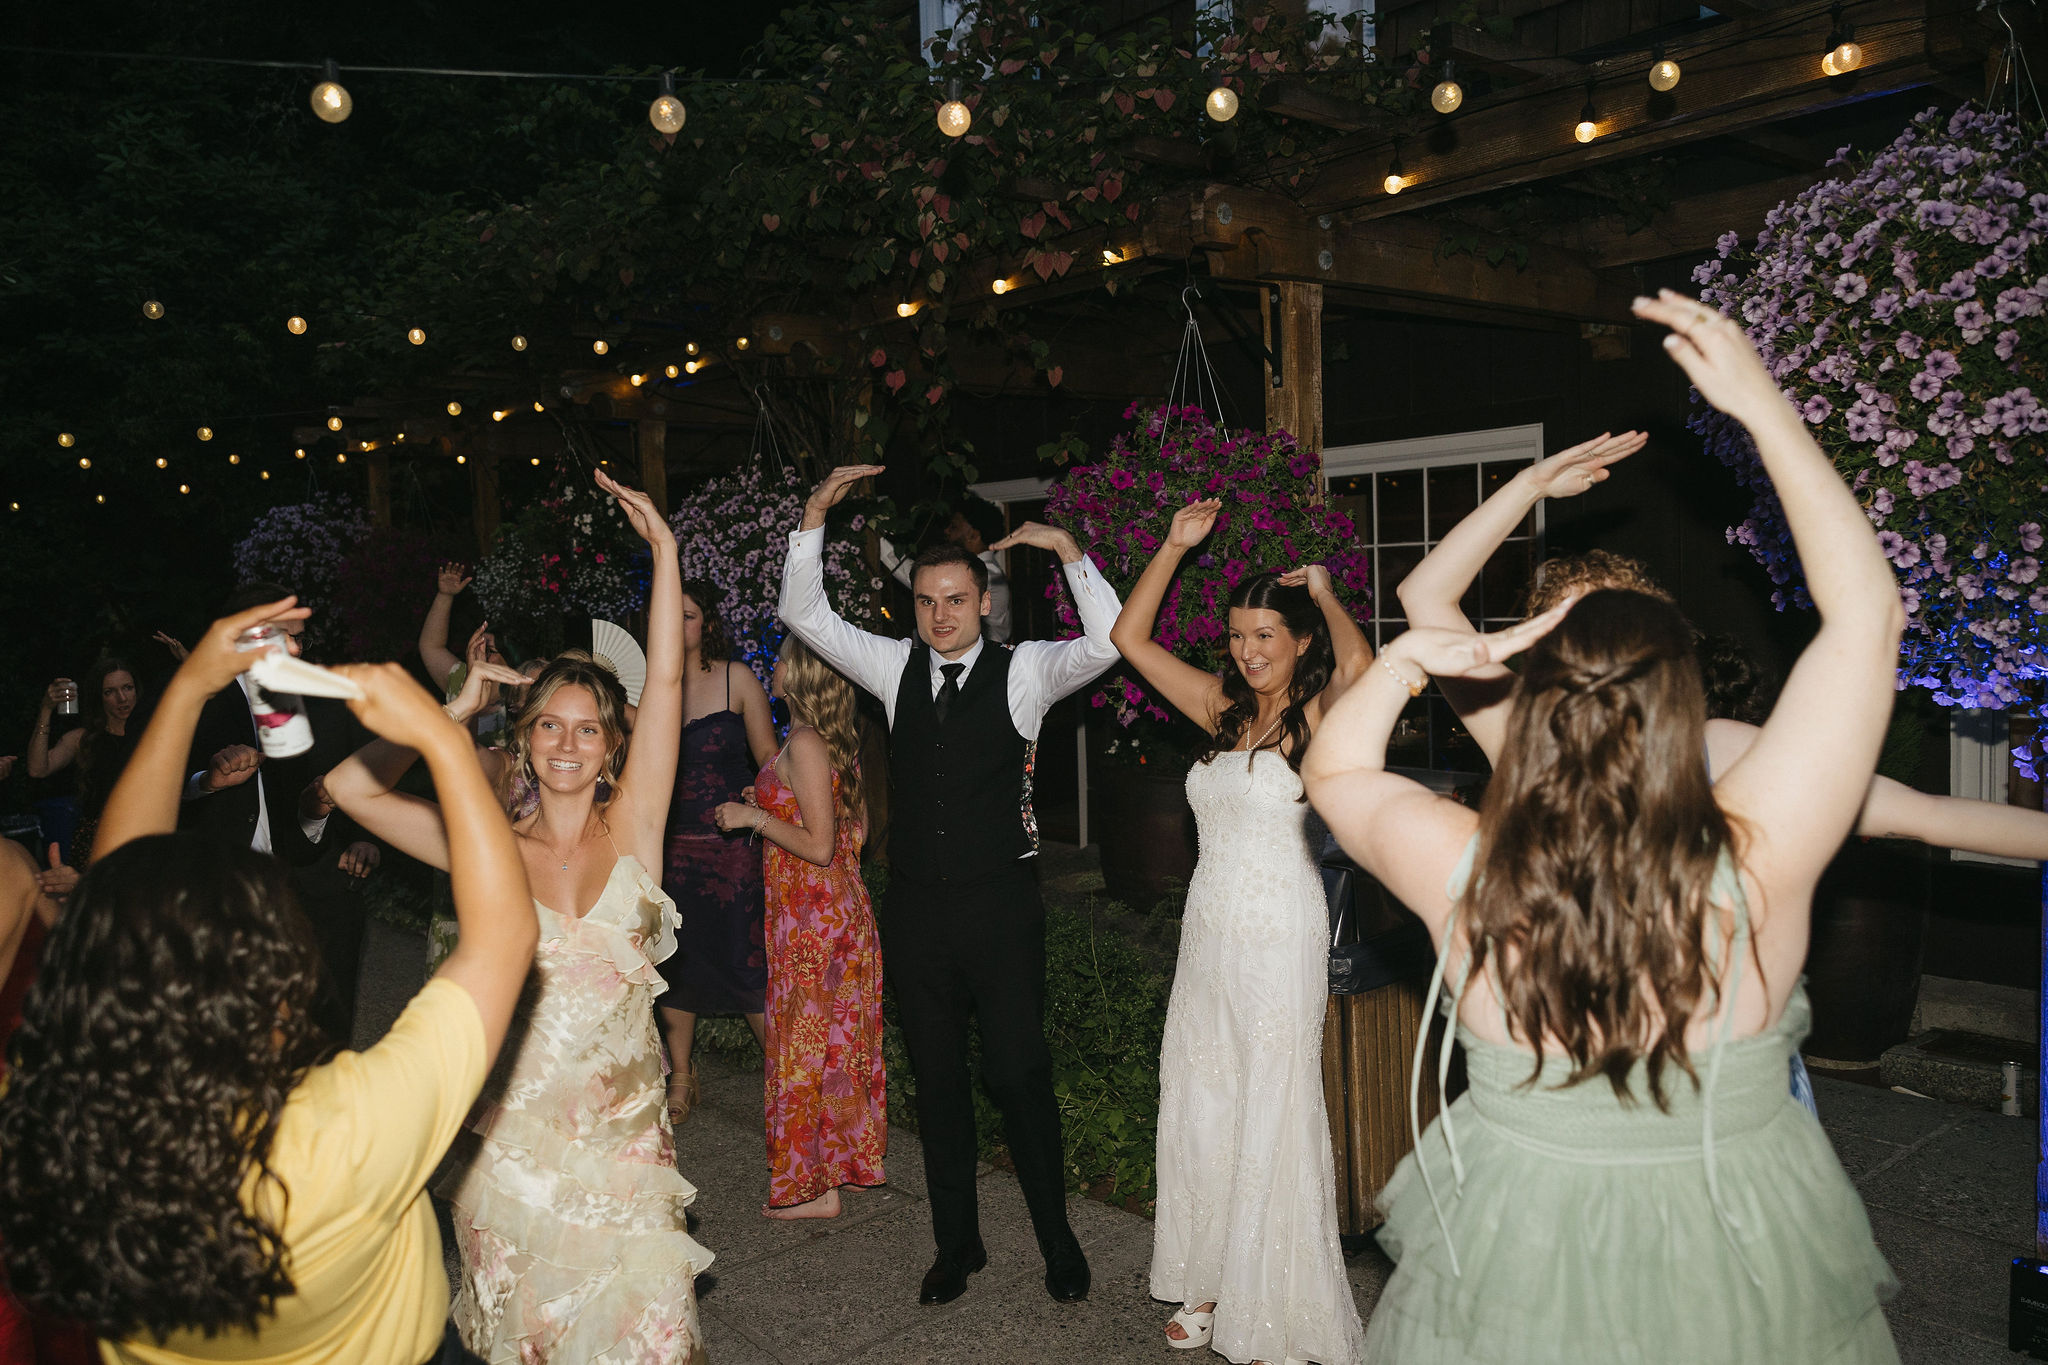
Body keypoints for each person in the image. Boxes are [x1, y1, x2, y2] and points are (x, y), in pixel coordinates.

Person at [1303, 290, 1904, 1363]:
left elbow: (1336, 768)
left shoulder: (1462, 866)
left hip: (1518, 1264)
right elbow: (1862, 615)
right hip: (1732, 1260)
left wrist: (1402, 663)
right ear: (1685, 705)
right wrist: (1763, 413)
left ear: (1529, 696)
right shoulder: (1759, 853)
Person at [0, 594, 539, 1365]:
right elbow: (509, 932)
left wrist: (189, 686)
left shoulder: (62, 1132)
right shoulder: (346, 1130)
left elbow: (123, 879)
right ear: (282, 992)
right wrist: (436, 733)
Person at [328, 471, 713, 1364]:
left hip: (629, 1162)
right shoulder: (487, 848)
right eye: (549, 727)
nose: (568, 744)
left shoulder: (637, 830)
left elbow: (666, 685)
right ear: (523, 740)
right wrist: (447, 717)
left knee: (655, 1345)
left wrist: (664, 550)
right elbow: (350, 790)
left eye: (587, 729)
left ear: (613, 745)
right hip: (513, 1167)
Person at [779, 464, 1120, 1307]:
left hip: (1001, 912)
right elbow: (804, 613)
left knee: (1017, 1074)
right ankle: (956, 1246)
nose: (941, 614)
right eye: (928, 600)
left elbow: (1112, 642)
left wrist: (1071, 552)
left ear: (985, 602)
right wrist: (816, 515)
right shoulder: (893, 665)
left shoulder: (1029, 671)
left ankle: (1057, 1239)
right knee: (937, 1085)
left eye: (956, 600)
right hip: (919, 913)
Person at [1398, 444, 2048, 867]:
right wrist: (1528, 485)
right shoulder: (1524, 738)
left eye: (1616, 617)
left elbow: (1927, 815)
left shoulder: (1716, 747)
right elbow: (1423, 593)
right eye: (1568, 622)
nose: (1596, 635)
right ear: (1538, 650)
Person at [1109, 503, 1373, 1365]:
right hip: (1209, 935)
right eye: (1237, 635)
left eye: (1266, 634)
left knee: (1271, 1104)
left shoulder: (1320, 715)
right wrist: (1175, 547)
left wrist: (1328, 593)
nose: (1248, 650)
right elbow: (1129, 638)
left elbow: (1364, 662)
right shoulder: (1223, 708)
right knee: (1204, 1099)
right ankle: (1212, 1282)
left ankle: (1270, 1302)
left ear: (1298, 641)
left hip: (1279, 936)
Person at [712, 635, 886, 1220]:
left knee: (806, 1048)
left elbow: (819, 843)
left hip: (813, 922)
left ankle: (813, 1189)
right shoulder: (824, 739)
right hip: (828, 912)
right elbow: (848, 825)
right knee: (839, 1044)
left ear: (802, 674)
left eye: (781, 658)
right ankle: (846, 1165)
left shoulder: (808, 742)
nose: (773, 666)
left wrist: (753, 817)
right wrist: (767, 802)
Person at [658, 580, 778, 1124]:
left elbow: (772, 761)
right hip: (671, 845)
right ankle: (680, 1075)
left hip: (732, 851)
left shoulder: (737, 677)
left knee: (744, 960)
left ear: (706, 622)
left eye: (687, 614)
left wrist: (764, 795)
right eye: (669, 614)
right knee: (673, 960)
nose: (679, 624)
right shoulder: (649, 687)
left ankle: (788, 1081)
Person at [25, 658, 148, 867]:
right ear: (99, 697)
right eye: (110, 691)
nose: (122, 698)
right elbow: (37, 769)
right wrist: (46, 710)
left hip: (149, 837)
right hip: (100, 845)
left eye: (127, 688)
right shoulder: (83, 739)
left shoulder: (154, 733)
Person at [879, 496, 1013, 644]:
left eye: (954, 527)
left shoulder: (987, 573)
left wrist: (878, 542)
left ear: (973, 535)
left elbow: (912, 576)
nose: (947, 531)